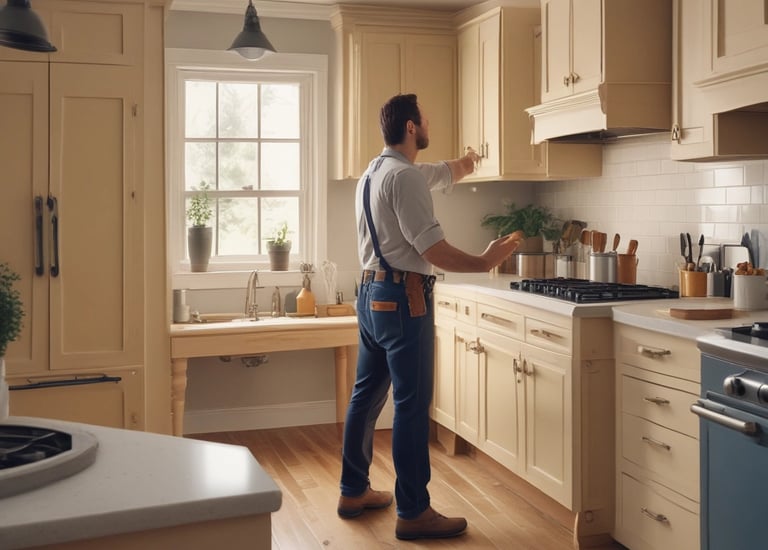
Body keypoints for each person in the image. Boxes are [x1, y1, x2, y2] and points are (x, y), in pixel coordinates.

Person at [337, 93, 524, 540]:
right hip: (405, 299)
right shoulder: (404, 179)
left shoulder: (376, 171)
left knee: (366, 397)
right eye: (424, 119)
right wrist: (485, 260)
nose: (428, 124)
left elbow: (439, 172)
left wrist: (467, 162)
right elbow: (432, 250)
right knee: (411, 405)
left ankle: (352, 490)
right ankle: (414, 512)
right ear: (410, 128)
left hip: (370, 294)